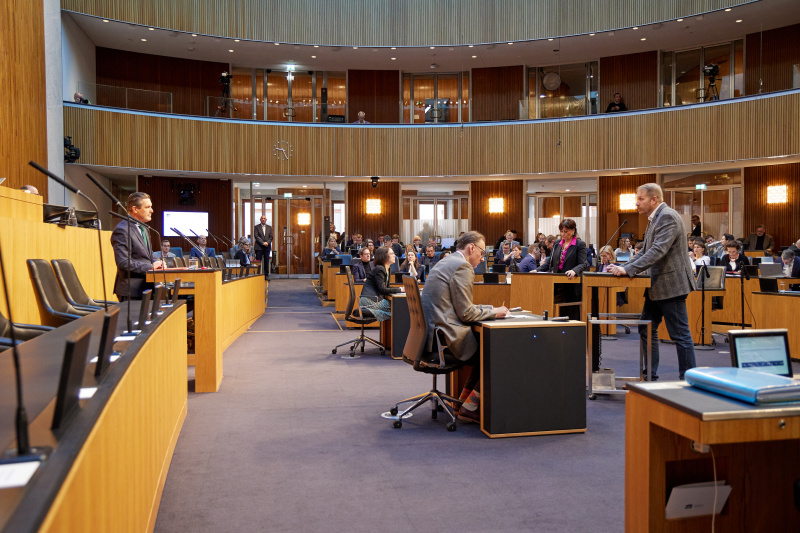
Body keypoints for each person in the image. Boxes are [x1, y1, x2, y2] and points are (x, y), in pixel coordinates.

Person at [606, 183, 697, 381]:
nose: (636, 203)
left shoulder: (667, 217)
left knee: (680, 335)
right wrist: (623, 265)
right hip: (657, 285)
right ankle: (649, 376)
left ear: (654, 199)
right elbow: (646, 251)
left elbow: (658, 251)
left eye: (640, 199)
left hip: (671, 285)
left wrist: (628, 269)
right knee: (646, 327)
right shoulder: (654, 218)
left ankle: (690, 382)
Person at [421, 231, 508, 422]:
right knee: (494, 352)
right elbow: (466, 313)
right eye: (482, 252)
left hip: (429, 337)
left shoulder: (446, 261)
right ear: (471, 248)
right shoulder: (463, 266)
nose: (482, 257)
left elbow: (457, 305)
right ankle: (469, 407)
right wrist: (495, 313)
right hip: (444, 340)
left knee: (483, 348)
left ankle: (463, 402)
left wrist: (488, 308)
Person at [111, 192, 164, 300]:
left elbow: (148, 255)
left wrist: (157, 262)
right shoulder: (122, 229)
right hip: (132, 291)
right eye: (148, 207)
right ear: (135, 209)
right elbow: (123, 262)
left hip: (146, 287)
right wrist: (150, 266)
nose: (152, 210)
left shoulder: (143, 228)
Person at [537, 219, 588, 319]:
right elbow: (550, 262)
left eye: (566, 231)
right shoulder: (557, 244)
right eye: (561, 231)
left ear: (573, 230)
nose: (563, 234)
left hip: (571, 284)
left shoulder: (579, 244)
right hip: (557, 284)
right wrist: (537, 270)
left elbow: (584, 263)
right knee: (555, 309)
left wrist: (574, 270)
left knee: (570, 313)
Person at [360, 246, 403, 321]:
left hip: (375, 299)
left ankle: (392, 330)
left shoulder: (387, 269)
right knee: (398, 307)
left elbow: (386, 287)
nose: (394, 255)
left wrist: (401, 289)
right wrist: (400, 290)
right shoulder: (379, 269)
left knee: (398, 308)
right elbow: (383, 289)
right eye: (392, 253)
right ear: (384, 256)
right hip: (369, 300)